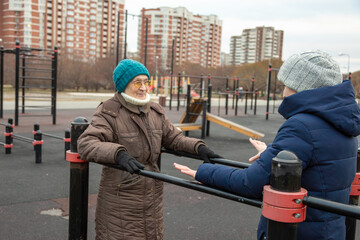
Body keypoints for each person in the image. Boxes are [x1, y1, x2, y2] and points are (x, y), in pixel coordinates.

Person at [174, 50, 360, 240]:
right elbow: (319, 162)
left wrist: (203, 172)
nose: (284, 91)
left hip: (297, 232)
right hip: (331, 231)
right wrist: (273, 154)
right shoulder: (342, 124)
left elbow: (250, 183)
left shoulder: (301, 126)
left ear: (300, 87)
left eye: (286, 84)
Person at [77, 59, 220, 240]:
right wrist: (118, 153)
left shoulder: (153, 111)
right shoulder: (109, 112)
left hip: (151, 199)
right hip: (121, 202)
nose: (144, 87)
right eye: (137, 82)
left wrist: (198, 148)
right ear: (123, 84)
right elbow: (87, 143)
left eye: (146, 82)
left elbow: (173, 138)